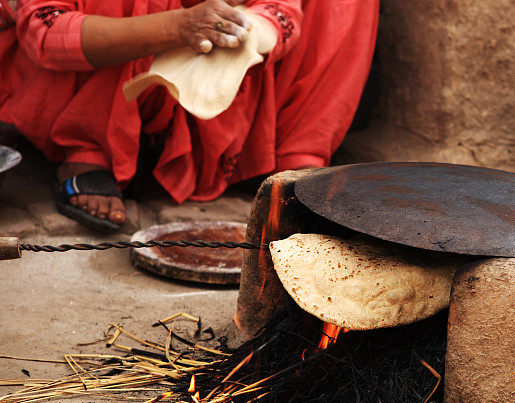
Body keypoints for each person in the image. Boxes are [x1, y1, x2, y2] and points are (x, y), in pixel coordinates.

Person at [0, 0, 379, 231]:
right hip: (94, 81)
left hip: (214, 80)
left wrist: (239, 29)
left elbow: (281, 11)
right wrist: (176, 26)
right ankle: (89, 150)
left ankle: (288, 160)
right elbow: (44, 31)